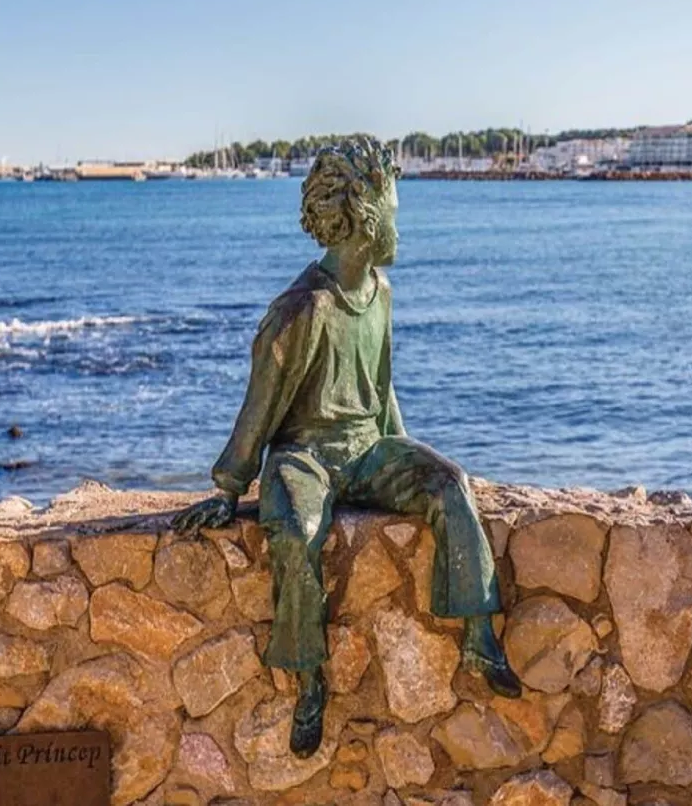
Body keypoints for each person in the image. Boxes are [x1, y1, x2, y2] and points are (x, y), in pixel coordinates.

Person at [174, 136, 519, 759]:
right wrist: (229, 487)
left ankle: (478, 632)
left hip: (367, 447)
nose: (399, 224)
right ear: (364, 211)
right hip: (303, 455)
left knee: (452, 485)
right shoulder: (302, 308)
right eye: (394, 207)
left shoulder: (381, 294)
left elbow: (383, 393)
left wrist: (411, 458)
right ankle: (310, 678)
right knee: (297, 531)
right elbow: (261, 405)